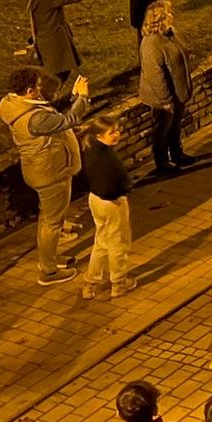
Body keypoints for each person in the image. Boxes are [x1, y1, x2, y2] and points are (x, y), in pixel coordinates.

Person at [0, 66, 89, 285]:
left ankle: (49, 258)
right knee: (52, 222)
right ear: (29, 90)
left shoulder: (15, 104)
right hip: (51, 173)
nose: (42, 89)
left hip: (41, 170)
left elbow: (55, 115)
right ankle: (48, 270)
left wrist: (73, 96)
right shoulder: (34, 119)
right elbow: (69, 120)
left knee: (47, 217)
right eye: (38, 86)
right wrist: (83, 98)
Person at [136, 0, 194, 177]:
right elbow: (155, 76)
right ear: (161, 18)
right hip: (163, 96)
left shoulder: (170, 33)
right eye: (169, 13)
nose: (172, 15)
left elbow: (182, 49)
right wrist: (165, 101)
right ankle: (162, 162)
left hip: (177, 90)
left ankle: (177, 153)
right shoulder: (151, 43)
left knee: (175, 125)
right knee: (162, 129)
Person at [24, 0, 93, 95]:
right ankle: (47, 100)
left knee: (57, 73)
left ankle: (46, 97)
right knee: (57, 75)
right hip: (53, 41)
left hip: (42, 37)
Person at [81, 122, 136, 299]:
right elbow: (112, 181)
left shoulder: (91, 150)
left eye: (117, 130)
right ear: (99, 136)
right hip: (112, 202)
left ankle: (90, 283)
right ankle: (119, 282)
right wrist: (123, 190)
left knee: (102, 241)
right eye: (111, 132)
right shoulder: (104, 156)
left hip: (95, 199)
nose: (117, 134)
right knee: (118, 243)